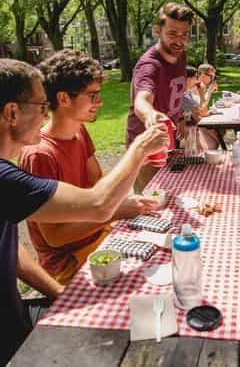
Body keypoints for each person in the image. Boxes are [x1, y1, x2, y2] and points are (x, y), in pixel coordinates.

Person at [0, 58, 167, 366]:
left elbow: (9, 249)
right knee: (126, 337)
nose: (46, 114)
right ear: (12, 112)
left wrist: (59, 293)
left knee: (138, 317)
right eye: (40, 105)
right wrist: (140, 147)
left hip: (3, 321)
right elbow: (99, 204)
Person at [19, 50, 158, 284]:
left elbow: (100, 184)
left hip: (99, 237)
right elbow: (55, 237)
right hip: (68, 263)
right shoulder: (39, 155)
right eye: (92, 96)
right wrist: (116, 210)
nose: (100, 102)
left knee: (161, 260)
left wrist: (139, 160)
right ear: (63, 99)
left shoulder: (79, 131)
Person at [126, 2, 194, 191]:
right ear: (158, 30)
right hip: (145, 148)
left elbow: (174, 91)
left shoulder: (181, 56)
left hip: (168, 143)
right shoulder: (149, 65)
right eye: (172, 34)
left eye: (184, 34)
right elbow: (141, 100)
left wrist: (179, 116)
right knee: (148, 204)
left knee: (173, 196)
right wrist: (150, 115)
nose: (179, 41)